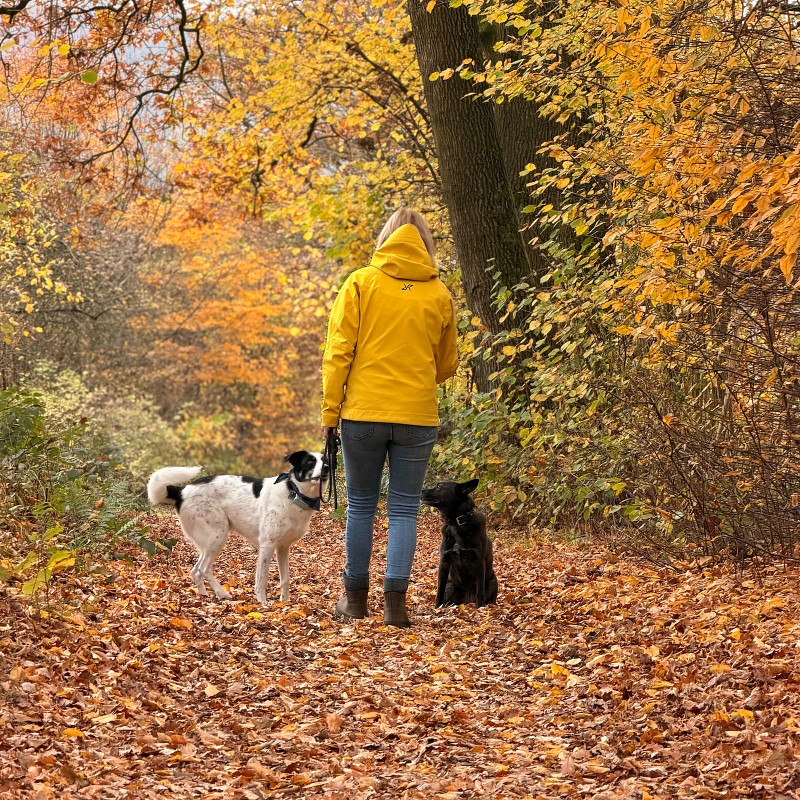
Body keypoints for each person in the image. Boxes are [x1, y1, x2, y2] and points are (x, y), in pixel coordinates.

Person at [321, 208, 459, 627]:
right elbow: (447, 365)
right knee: (403, 510)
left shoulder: (361, 282)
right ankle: (395, 607)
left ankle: (355, 600)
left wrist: (330, 411)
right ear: (425, 243)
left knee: (361, 505)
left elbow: (338, 352)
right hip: (417, 415)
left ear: (385, 239)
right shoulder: (439, 293)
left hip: (363, 414)